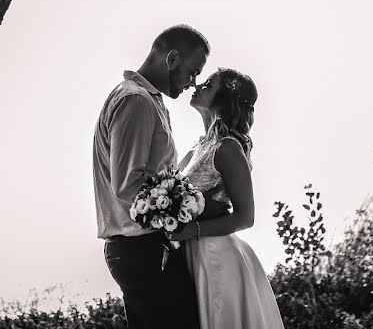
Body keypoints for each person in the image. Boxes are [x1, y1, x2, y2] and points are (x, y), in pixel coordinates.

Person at [92, 24, 209, 329]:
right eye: (192, 72)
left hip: (141, 249)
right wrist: (181, 216)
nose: (192, 83)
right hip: (141, 251)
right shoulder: (137, 101)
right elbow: (128, 184)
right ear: (171, 59)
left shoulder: (147, 100)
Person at [170, 68, 286, 329]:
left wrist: (193, 230)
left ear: (223, 99)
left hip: (217, 258)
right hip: (190, 254)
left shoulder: (228, 147)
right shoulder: (195, 148)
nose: (197, 85)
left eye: (208, 84)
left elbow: (246, 217)